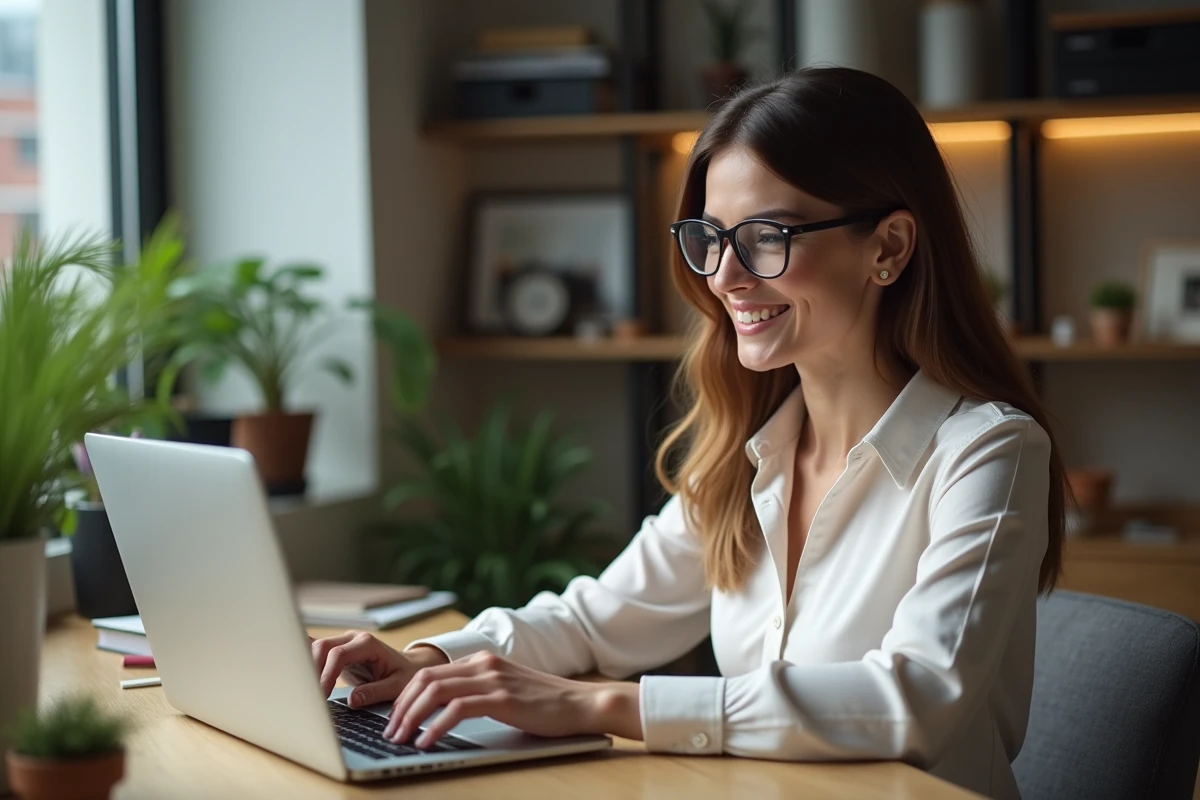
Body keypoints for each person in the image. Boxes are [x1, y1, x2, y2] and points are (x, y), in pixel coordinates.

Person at [311, 66, 1067, 800]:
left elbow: (917, 698)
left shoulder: (988, 452)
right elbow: (592, 621)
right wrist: (431, 658)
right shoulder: (745, 456)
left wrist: (602, 705)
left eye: (767, 236)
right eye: (711, 237)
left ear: (889, 248)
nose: (726, 277)